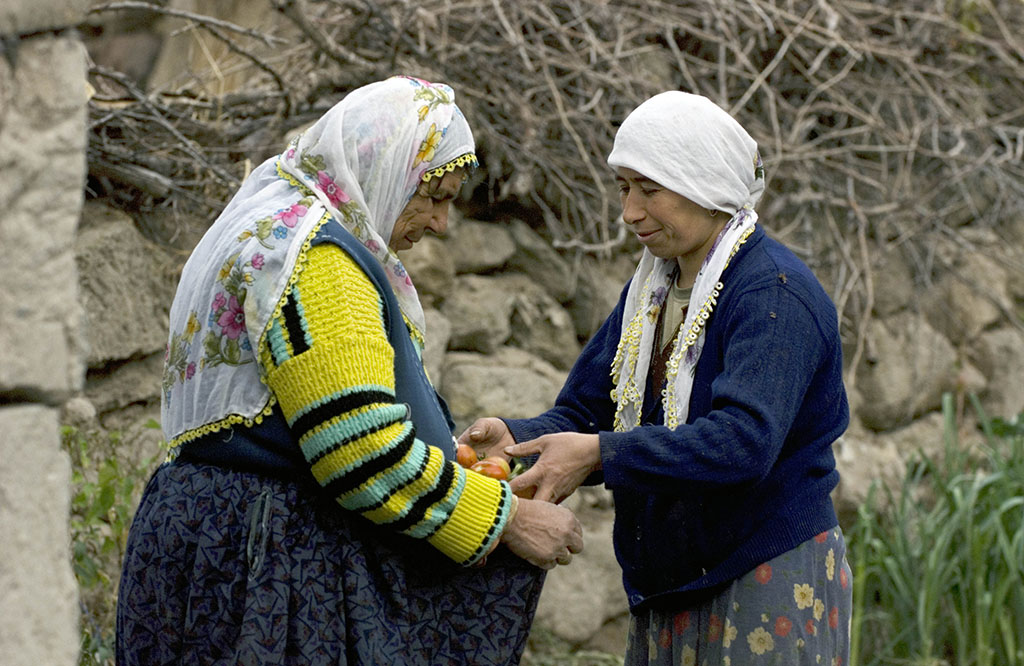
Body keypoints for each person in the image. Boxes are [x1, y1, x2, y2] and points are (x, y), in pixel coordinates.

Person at [117, 76, 583, 666]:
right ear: (382, 170)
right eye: (432, 195)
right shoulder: (319, 260)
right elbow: (358, 447)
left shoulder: (271, 224)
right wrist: (505, 518)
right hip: (264, 558)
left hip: (208, 534)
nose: (441, 222)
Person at [459, 91, 853, 664]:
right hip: (672, 581)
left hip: (761, 574)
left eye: (650, 189)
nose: (630, 213)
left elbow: (744, 443)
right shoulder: (653, 291)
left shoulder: (772, 294)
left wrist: (599, 453)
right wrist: (514, 441)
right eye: (624, 188)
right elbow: (588, 413)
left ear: (703, 181)